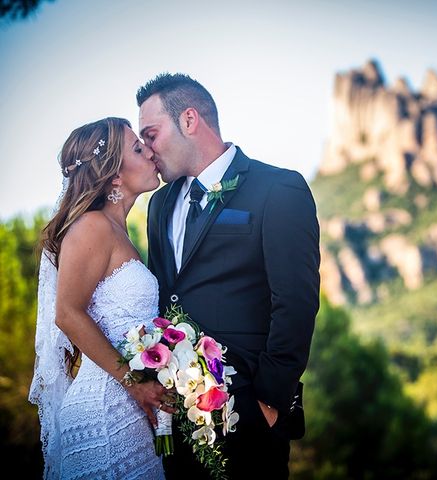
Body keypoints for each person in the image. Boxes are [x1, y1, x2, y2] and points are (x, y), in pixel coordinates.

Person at [139, 73, 321, 478]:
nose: (146, 150)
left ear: (189, 120)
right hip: (176, 415)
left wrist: (269, 403)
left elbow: (296, 302)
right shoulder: (159, 204)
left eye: (151, 134)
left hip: (250, 413)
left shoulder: (279, 189)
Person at [29, 117, 173, 479]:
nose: (150, 152)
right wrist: (134, 383)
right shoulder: (91, 227)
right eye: (138, 149)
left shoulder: (120, 232)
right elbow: (68, 314)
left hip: (133, 413)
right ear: (115, 176)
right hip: (105, 412)